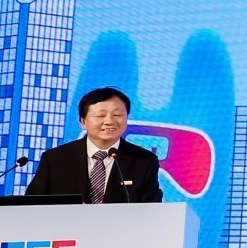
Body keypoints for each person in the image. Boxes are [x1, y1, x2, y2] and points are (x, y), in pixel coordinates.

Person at [27, 87, 163, 203]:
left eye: (117, 115)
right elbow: (32, 205)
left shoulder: (144, 161)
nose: (109, 121)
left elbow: (151, 209)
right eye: (100, 116)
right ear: (83, 121)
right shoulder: (55, 159)